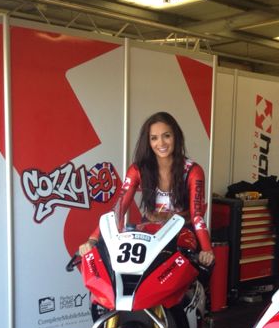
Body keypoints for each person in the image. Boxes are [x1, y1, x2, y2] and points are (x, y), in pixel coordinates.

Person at [78, 112, 214, 266]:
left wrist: (206, 249)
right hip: (149, 232)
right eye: (154, 138)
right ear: (148, 141)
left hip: (182, 233)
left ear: (176, 136)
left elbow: (197, 215)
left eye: (167, 136)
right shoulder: (137, 170)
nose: (161, 143)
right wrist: (93, 239)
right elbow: (119, 208)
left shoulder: (193, 170)